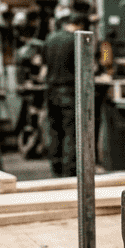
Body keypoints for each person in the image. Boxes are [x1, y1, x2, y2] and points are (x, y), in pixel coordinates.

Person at [42, 14, 80, 177]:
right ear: (79, 25)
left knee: (55, 130)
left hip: (51, 91)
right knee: (71, 131)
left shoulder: (50, 39)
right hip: (68, 91)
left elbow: (43, 69)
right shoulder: (76, 40)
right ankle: (69, 171)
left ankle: (56, 168)